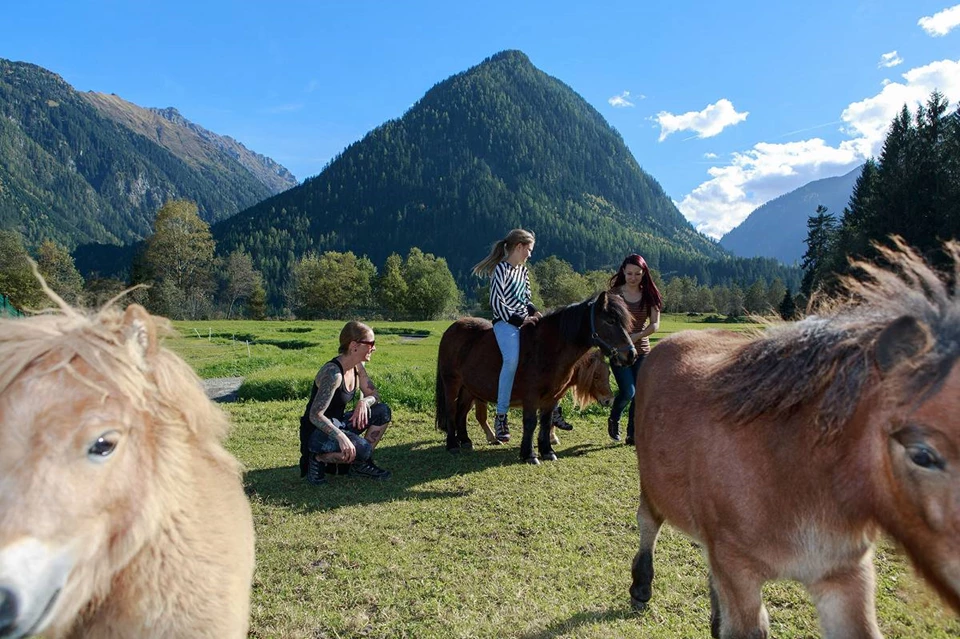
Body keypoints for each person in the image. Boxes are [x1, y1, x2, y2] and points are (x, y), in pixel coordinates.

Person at [298, 321, 393, 485]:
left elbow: (374, 394)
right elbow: (315, 415)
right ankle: (318, 458)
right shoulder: (333, 374)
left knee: (383, 411)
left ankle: (359, 463)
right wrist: (341, 437)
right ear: (354, 345)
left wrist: (364, 401)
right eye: (371, 343)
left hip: (338, 423)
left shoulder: (358, 367)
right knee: (363, 449)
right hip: (317, 432)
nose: (374, 348)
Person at [471, 229, 541, 443]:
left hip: (524, 320)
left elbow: (526, 298)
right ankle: (501, 416)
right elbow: (497, 303)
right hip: (505, 323)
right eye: (528, 250)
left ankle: (552, 407)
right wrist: (520, 321)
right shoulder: (500, 270)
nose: (530, 254)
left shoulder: (523, 271)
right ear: (519, 247)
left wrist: (534, 312)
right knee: (511, 361)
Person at [607, 254, 662, 445]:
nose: (633, 277)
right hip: (619, 350)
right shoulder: (614, 294)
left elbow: (655, 324)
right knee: (628, 391)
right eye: (629, 273)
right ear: (623, 272)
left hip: (642, 351)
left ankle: (633, 434)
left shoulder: (650, 295)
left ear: (644, 273)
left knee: (640, 393)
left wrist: (637, 336)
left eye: (637, 274)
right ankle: (614, 418)